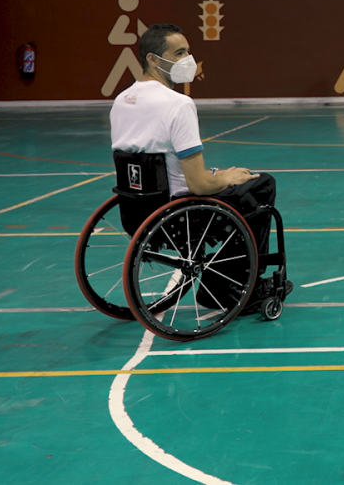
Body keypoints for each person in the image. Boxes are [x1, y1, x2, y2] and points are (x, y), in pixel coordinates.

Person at [109, 23, 288, 305]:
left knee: (233, 181)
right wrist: (226, 177)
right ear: (153, 59)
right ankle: (238, 289)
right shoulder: (177, 104)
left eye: (187, 52)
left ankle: (224, 281)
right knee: (261, 185)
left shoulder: (122, 100)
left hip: (137, 210)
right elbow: (200, 184)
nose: (187, 60)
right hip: (182, 211)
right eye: (179, 53)